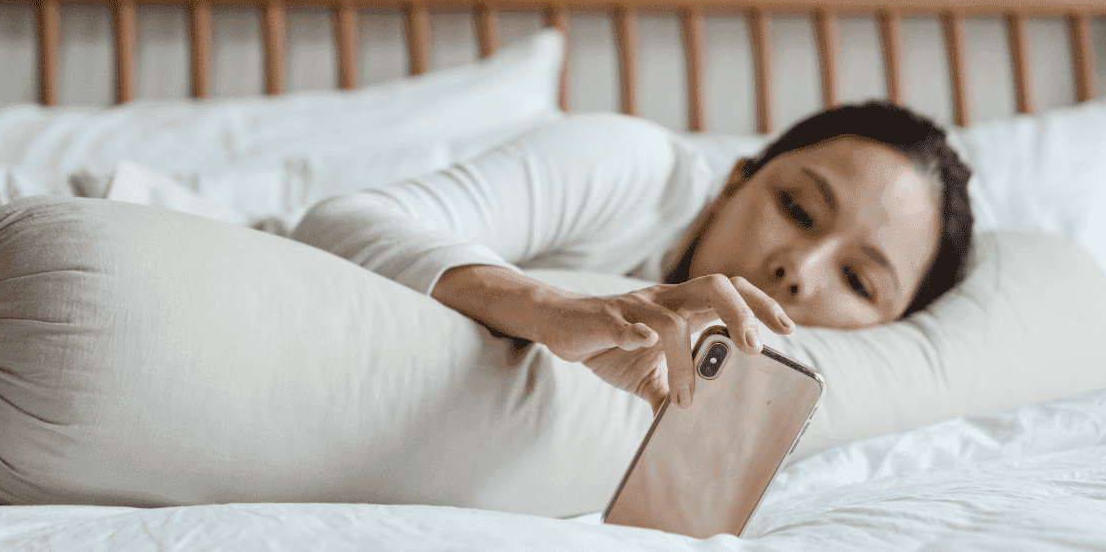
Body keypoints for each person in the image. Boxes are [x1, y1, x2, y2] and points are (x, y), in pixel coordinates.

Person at [291, 100, 974, 414]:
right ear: (736, 178)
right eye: (796, 209)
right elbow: (338, 223)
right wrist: (550, 308)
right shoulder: (630, 166)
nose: (799, 268)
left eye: (856, 279)